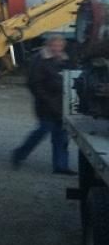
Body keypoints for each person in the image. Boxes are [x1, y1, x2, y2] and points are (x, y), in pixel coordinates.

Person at [11, 35, 75, 175]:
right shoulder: (39, 60)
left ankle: (61, 166)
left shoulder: (65, 60)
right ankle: (19, 153)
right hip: (45, 104)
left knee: (61, 136)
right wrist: (47, 100)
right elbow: (34, 83)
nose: (57, 48)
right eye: (55, 45)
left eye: (60, 46)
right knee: (41, 132)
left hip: (61, 105)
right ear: (49, 45)